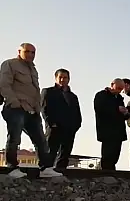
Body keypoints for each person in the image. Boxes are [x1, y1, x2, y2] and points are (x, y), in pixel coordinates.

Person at [0, 43, 64, 179]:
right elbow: (4, 84)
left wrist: (37, 108)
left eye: (33, 52)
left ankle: (46, 168)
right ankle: (12, 168)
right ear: (19, 51)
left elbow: (35, 90)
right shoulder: (9, 64)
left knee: (40, 139)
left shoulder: (33, 70)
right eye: (27, 51)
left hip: (32, 110)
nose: (30, 55)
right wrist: (15, 102)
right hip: (16, 108)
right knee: (14, 137)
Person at [40, 68, 82, 169]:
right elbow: (44, 109)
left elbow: (77, 112)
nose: (63, 80)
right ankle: (45, 171)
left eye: (65, 77)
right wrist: (51, 123)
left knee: (65, 152)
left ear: (69, 79)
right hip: (54, 127)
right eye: (60, 77)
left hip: (69, 129)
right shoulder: (48, 92)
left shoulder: (73, 96)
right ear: (56, 78)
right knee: (50, 151)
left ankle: (61, 171)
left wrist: (76, 126)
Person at [93, 78, 129, 170]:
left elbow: (123, 114)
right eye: (118, 88)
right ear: (112, 84)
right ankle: (106, 171)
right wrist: (117, 109)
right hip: (107, 129)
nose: (119, 91)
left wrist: (125, 113)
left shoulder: (119, 98)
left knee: (115, 153)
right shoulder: (101, 95)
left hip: (118, 130)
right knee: (107, 153)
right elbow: (100, 109)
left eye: (121, 89)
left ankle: (112, 170)